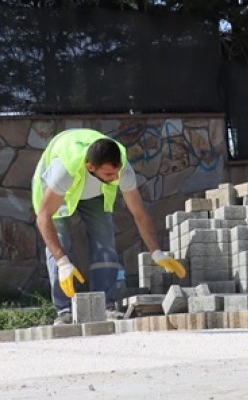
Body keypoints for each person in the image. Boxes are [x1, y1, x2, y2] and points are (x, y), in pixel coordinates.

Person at [32, 128, 186, 323]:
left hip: (94, 192)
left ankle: (106, 306)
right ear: (90, 167)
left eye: (116, 172)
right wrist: (62, 263)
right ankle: (64, 312)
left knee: (105, 240)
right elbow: (43, 217)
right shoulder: (65, 170)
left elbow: (138, 212)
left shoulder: (122, 169)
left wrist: (156, 252)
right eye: (109, 174)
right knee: (60, 244)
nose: (115, 177)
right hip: (56, 193)